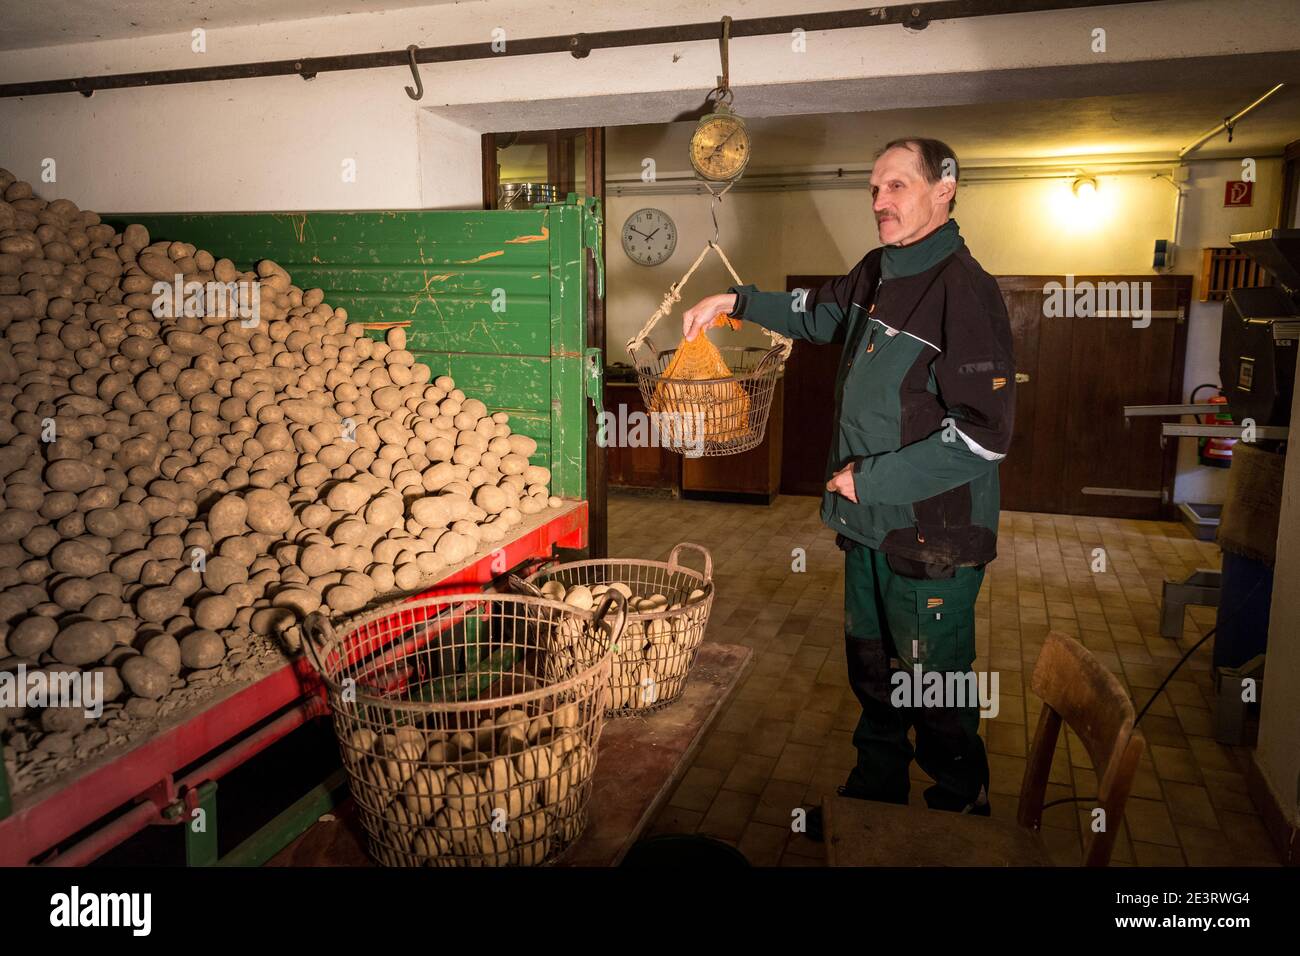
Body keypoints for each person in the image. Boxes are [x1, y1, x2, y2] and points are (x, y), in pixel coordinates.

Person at [681, 138, 1016, 838]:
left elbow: (984, 432)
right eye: (874, 189)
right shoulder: (877, 271)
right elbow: (818, 312)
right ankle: (876, 790)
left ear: (944, 190)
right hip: (869, 527)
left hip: (931, 537)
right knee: (872, 666)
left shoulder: (964, 289)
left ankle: (960, 812)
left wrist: (875, 478)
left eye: (896, 186)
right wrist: (735, 300)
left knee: (935, 686)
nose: (880, 201)